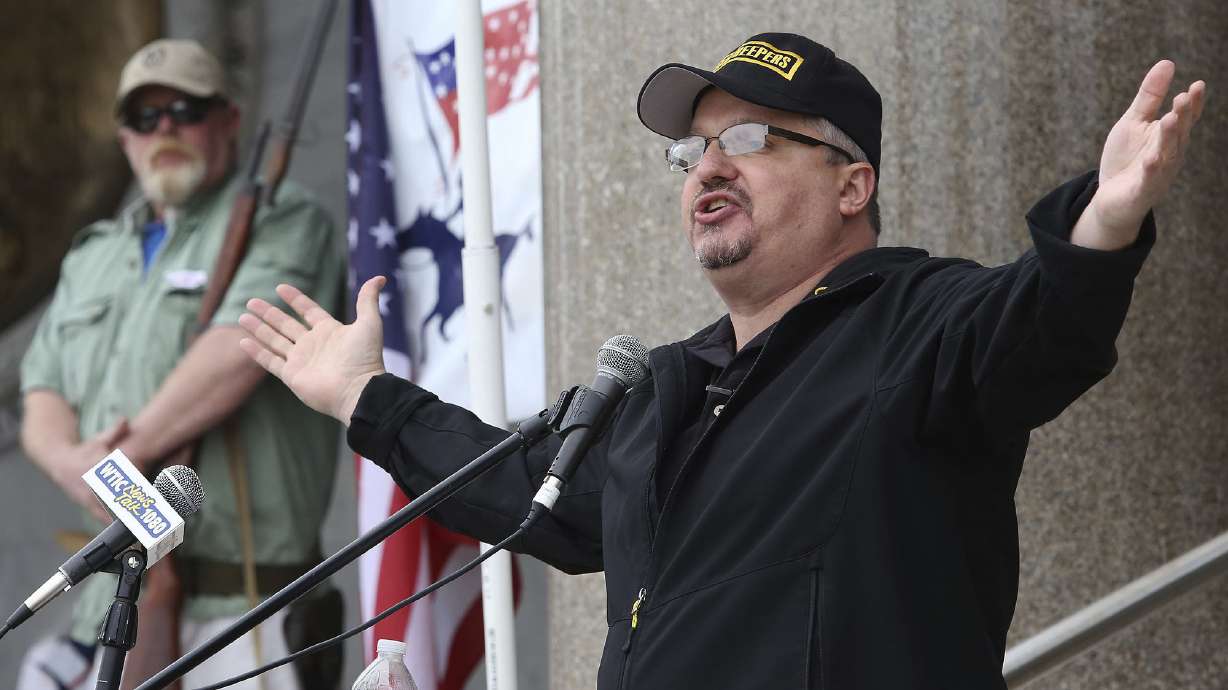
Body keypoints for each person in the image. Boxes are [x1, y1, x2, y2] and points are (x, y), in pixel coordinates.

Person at [239, 33, 1206, 689]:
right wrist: (365, 398)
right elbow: (531, 494)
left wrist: (1102, 223)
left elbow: (1043, 327)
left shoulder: (921, 322)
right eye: (695, 151)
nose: (708, 168)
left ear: (851, 185)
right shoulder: (662, 387)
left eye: (749, 139)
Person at [18, 39, 345, 690]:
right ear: (123, 138)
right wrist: (70, 463)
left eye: (184, 109)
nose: (164, 127)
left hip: (245, 611)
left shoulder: (284, 222)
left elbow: (236, 351)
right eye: (145, 117)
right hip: (108, 601)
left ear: (228, 121)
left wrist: (117, 463)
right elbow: (41, 389)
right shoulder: (94, 255)